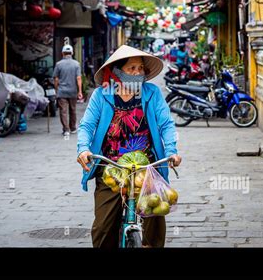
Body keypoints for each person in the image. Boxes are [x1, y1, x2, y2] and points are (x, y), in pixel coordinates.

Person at [76, 45, 182, 248]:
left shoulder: (152, 93)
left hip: (147, 168)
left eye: (140, 68)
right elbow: (87, 126)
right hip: (110, 169)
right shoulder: (101, 95)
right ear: (117, 71)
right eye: (131, 68)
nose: (137, 73)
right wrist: (83, 149)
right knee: (103, 228)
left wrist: (171, 152)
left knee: (155, 215)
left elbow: (166, 124)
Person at [53, 44, 83, 136]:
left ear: (62, 53)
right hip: (72, 91)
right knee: (73, 110)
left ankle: (66, 130)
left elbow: (56, 79)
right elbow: (78, 78)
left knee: (63, 111)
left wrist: (56, 89)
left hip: (62, 91)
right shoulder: (76, 64)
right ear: (72, 53)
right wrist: (80, 91)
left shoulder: (58, 64)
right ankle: (73, 128)